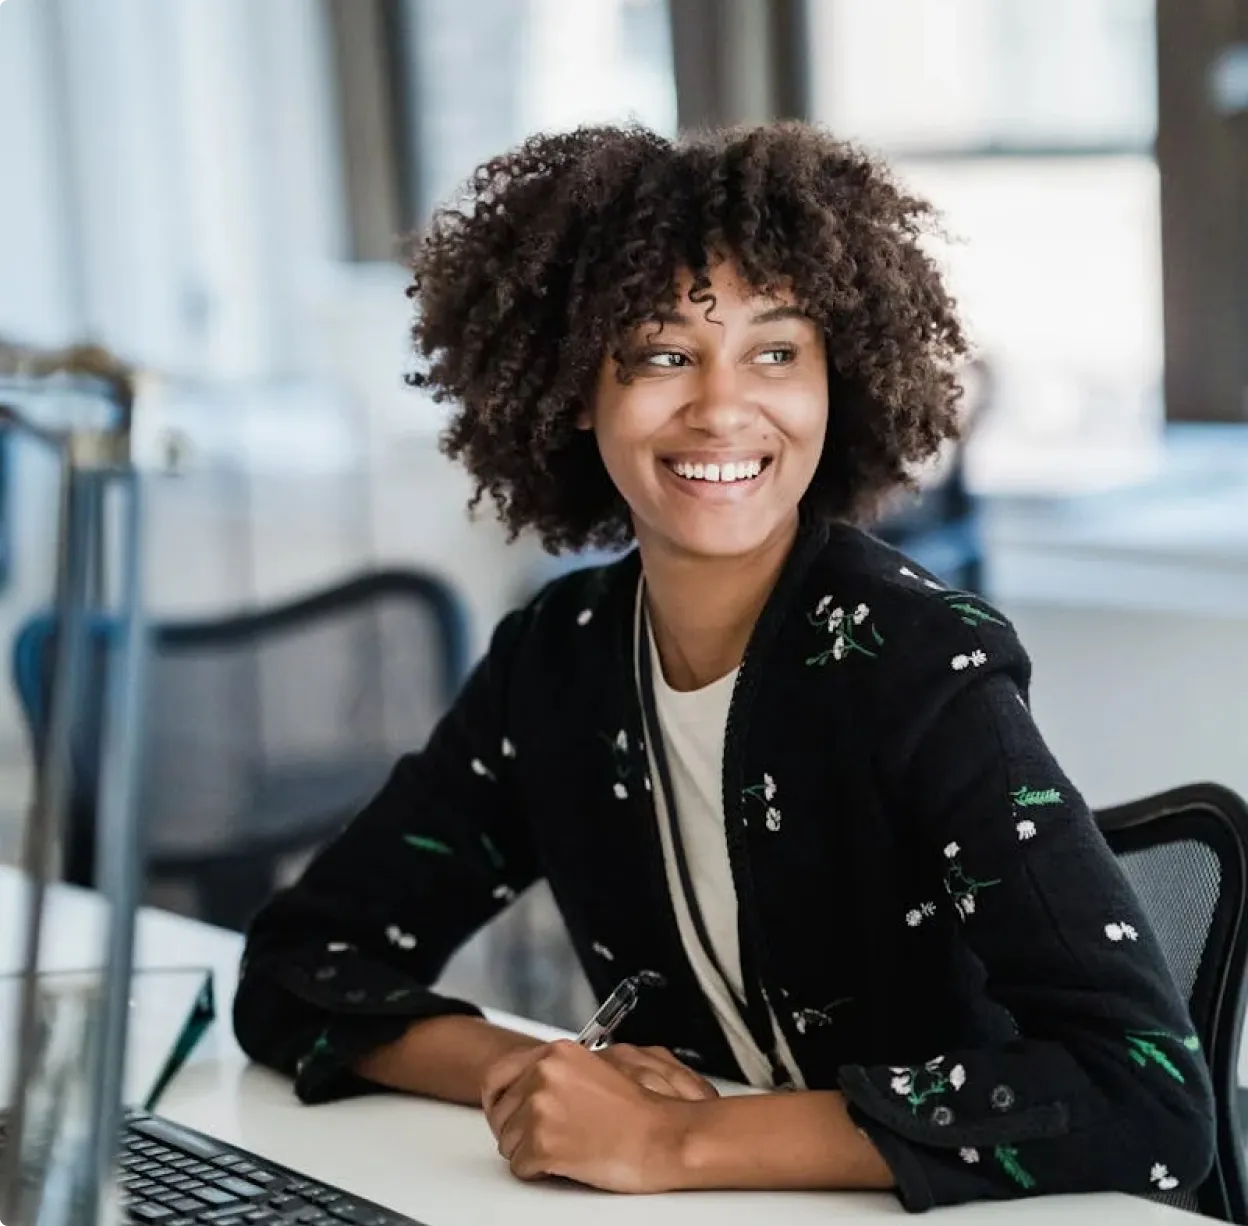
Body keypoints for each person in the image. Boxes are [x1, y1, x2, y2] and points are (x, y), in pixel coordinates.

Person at [234, 122, 1213, 1212]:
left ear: (838, 376)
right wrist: (531, 1077)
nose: (720, 405)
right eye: (661, 353)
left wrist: (678, 1143)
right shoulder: (555, 664)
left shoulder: (914, 664)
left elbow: (1149, 1096)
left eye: (776, 351)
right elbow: (298, 962)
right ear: (570, 386)